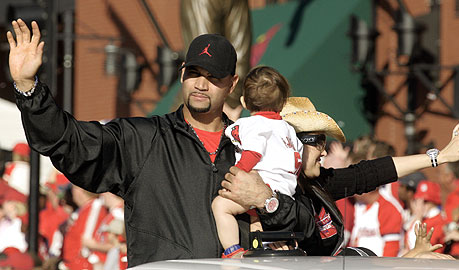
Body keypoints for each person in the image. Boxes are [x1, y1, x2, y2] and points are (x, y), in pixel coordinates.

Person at [6, 19, 277, 267]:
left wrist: (267, 201)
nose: (201, 85)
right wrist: (28, 88)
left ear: (232, 84)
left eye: (213, 77)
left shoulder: (255, 144)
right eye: (194, 73)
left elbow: (307, 222)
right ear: (182, 75)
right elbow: (69, 143)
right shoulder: (142, 138)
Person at [219, 97, 459, 257]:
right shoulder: (257, 189)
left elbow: (372, 172)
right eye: (318, 141)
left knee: (360, 255)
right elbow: (295, 224)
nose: (324, 150)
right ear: (293, 144)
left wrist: (438, 157)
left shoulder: (320, 184)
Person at [212, 66, 302, 258]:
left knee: (220, 206)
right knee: (256, 221)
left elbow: (253, 153)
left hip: (260, 184)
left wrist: (236, 173)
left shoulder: (251, 124)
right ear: (283, 103)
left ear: (244, 101)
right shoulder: (289, 130)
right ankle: (260, 251)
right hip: (285, 192)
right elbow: (298, 159)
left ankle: (232, 251)